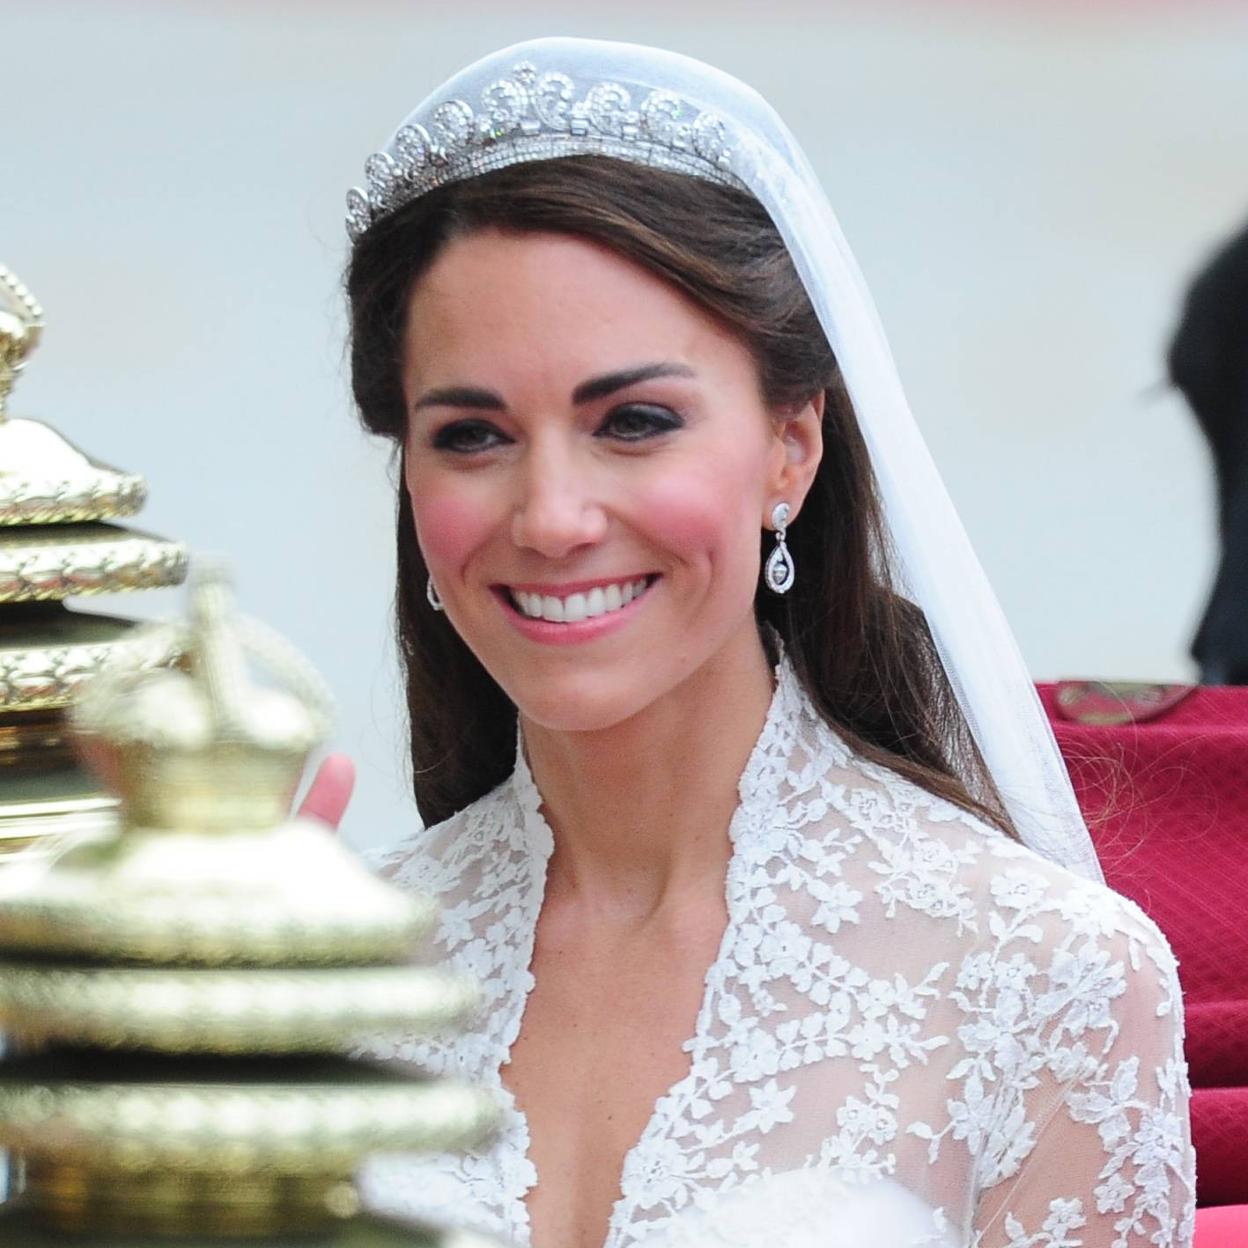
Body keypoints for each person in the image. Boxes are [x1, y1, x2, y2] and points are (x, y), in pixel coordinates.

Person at [313, 37, 1194, 1248]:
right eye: (472, 436)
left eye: (634, 422)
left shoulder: (1046, 973)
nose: (553, 518)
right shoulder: (317, 976)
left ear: (792, 447)